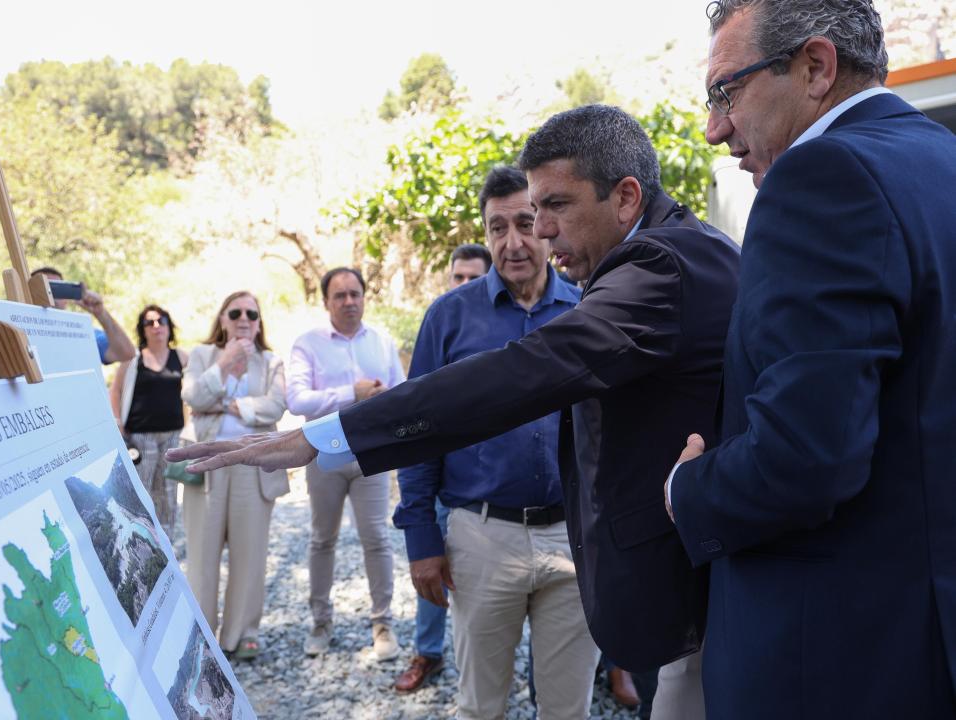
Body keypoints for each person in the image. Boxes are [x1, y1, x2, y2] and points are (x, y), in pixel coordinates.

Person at [169, 105, 740, 694]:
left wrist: (324, 436)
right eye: (525, 214)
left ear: (625, 197)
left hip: (685, 586)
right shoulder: (675, 249)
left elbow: (518, 375)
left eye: (555, 206)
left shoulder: (655, 266)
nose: (541, 232)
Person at [663, 1, 956, 718]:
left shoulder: (823, 175)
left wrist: (686, 489)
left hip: (839, 663)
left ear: (816, 68)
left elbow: (805, 456)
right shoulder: (940, 161)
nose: (715, 128)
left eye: (726, 92)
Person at [393, 167, 595, 718]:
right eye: (497, 228)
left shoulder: (587, 309)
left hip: (572, 538)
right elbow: (416, 432)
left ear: (546, 224)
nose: (513, 242)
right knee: (480, 708)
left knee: (569, 710)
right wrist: (421, 539)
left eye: (525, 223)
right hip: (481, 539)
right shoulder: (449, 318)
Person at [285, 268, 405, 661]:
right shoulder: (308, 344)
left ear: (365, 297)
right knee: (323, 538)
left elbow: (403, 392)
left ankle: (383, 623)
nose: (349, 301)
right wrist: (349, 393)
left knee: (377, 538)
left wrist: (386, 397)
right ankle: (321, 622)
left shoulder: (382, 342)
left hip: (372, 453)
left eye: (355, 293)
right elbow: (297, 400)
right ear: (326, 302)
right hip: (325, 454)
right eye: (340, 295)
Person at [394, 241, 493, 695]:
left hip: (503, 495)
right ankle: (428, 652)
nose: (464, 285)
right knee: (433, 572)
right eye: (459, 277)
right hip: (447, 482)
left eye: (474, 278)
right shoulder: (442, 323)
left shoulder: (508, 325)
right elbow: (415, 418)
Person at [180, 290, 288, 660]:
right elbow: (193, 397)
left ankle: (242, 634)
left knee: (250, 553)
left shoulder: (271, 362)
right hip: (207, 462)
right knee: (202, 554)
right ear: (223, 318)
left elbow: (276, 405)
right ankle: (202, 633)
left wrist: (225, 405)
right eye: (236, 312)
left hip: (253, 466)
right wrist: (225, 363)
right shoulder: (202, 355)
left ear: (259, 323)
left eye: (251, 314)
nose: (244, 319)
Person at [109, 305, 187, 541]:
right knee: (140, 489)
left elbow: (192, 393)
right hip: (140, 436)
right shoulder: (132, 359)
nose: (156, 326)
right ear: (142, 329)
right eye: (149, 322)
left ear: (169, 326)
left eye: (161, 321)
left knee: (168, 491)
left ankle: (165, 541)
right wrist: (117, 422)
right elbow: (115, 391)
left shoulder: (182, 357)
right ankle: (139, 538)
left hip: (173, 435)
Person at [30, 266, 135, 364]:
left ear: (66, 299)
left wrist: (101, 313)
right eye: (43, 289)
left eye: (57, 289)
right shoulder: (22, 332)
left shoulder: (81, 333)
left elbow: (126, 353)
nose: (50, 295)